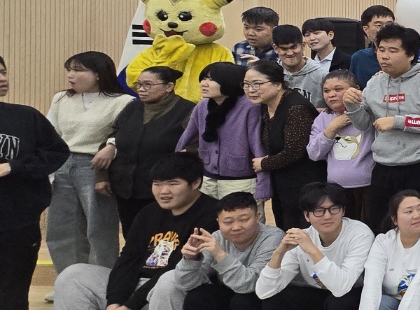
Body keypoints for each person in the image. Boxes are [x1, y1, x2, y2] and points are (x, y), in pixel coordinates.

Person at [36, 155, 220, 310]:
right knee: (73, 275)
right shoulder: (149, 213)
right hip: (142, 295)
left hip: (182, 298)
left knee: (169, 279)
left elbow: (179, 267)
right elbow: (128, 260)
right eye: (157, 184)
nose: (163, 191)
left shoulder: (211, 214)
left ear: (195, 183)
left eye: (173, 183)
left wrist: (129, 307)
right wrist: (114, 303)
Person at [256, 181, 374, 310]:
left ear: (343, 210)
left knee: (340, 302)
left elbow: (342, 286)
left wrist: (312, 249)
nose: (327, 216)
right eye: (318, 211)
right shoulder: (302, 236)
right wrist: (279, 253)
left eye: (333, 209)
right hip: (322, 297)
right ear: (307, 216)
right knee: (275, 299)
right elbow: (264, 291)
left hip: (355, 299)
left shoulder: (359, 233)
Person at [0, 54, 70, 310]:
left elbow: (56, 153)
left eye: (3, 71)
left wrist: (14, 167)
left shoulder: (25, 117)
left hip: (16, 221)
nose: (2, 78)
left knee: (11, 290)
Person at [344, 23, 420, 230]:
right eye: (381, 49)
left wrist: (398, 122)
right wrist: (352, 106)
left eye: (393, 51)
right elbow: (364, 124)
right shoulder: (374, 83)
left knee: (419, 225)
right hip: (384, 165)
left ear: (410, 55)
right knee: (382, 225)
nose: (384, 56)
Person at [170, 191, 282, 310]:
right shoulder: (217, 237)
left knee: (243, 300)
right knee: (195, 298)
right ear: (218, 222)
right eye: (228, 222)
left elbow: (249, 284)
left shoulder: (273, 237)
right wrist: (190, 259)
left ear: (258, 216)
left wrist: (220, 255)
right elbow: (185, 283)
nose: (236, 227)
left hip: (265, 300)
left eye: (244, 219)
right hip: (233, 295)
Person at [44, 51, 127, 275]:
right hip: (62, 164)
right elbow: (50, 133)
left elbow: (127, 133)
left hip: (95, 167)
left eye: (78, 70)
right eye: (69, 70)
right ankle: (68, 280)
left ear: (98, 74)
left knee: (99, 228)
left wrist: (112, 145)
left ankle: (101, 279)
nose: (70, 75)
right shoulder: (61, 98)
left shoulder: (122, 101)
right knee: (61, 228)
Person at [102, 66, 196, 233]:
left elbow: (197, 145)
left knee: (161, 237)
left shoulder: (187, 110)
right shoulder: (132, 107)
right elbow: (115, 134)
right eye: (138, 84)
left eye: (148, 85)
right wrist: (110, 147)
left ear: (169, 87)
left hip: (166, 191)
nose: (141, 89)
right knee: (132, 235)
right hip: (126, 188)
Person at [243, 60, 325, 229]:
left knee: (301, 230)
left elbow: (295, 151)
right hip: (282, 182)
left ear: (278, 84)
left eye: (257, 84)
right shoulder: (265, 105)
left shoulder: (296, 108)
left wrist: (264, 163)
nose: (251, 90)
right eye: (246, 84)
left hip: (305, 183)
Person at [176, 62, 266, 206]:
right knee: (208, 218)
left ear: (229, 82)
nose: (204, 83)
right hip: (207, 178)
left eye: (211, 79)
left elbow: (258, 148)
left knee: (240, 218)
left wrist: (263, 184)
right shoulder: (203, 105)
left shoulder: (250, 107)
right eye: (203, 78)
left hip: (241, 181)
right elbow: (186, 139)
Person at [305, 69, 374, 222]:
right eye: (326, 91)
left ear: (356, 90)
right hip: (336, 188)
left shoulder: (368, 112)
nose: (331, 95)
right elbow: (313, 153)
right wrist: (331, 129)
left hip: (369, 186)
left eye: (338, 89)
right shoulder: (323, 118)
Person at [270, 24, 329, 110]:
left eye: (294, 47)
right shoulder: (270, 74)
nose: (290, 53)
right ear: (275, 49)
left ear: (303, 46)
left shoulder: (322, 75)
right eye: (284, 49)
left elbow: (334, 110)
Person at [349, 5, 395, 87]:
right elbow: (353, 87)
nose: (385, 29)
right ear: (366, 29)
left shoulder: (404, 54)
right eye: (379, 25)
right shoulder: (359, 58)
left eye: (389, 25)